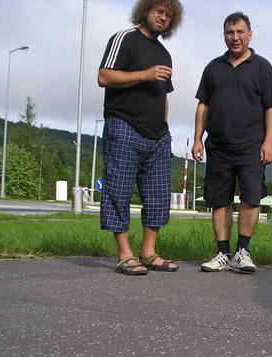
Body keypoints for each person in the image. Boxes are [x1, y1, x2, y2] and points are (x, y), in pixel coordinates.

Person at [97, 0, 183, 276]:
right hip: (124, 125)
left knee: (158, 195)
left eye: (168, 15)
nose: (163, 18)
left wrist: (164, 127)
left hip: (157, 134)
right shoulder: (124, 39)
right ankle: (125, 255)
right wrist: (145, 74)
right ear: (145, 10)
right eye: (159, 11)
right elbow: (103, 77)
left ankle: (148, 253)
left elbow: (163, 95)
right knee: (118, 191)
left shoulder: (165, 54)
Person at [192, 11, 272, 274]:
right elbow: (203, 105)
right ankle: (222, 253)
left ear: (250, 35)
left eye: (240, 32)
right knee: (220, 200)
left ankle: (243, 252)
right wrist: (197, 139)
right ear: (224, 36)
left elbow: (271, 108)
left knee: (251, 199)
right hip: (218, 147)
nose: (235, 37)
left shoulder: (263, 67)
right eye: (230, 32)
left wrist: (269, 142)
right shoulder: (213, 68)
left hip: (251, 147)